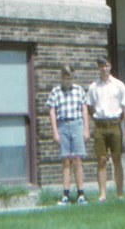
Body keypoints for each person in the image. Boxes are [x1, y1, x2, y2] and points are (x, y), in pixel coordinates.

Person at [45, 65, 89, 205]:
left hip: (77, 124)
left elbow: (84, 110)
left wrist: (86, 129)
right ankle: (66, 194)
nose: (67, 80)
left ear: (72, 77)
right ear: (61, 77)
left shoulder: (79, 90)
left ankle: (81, 193)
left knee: (77, 159)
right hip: (63, 125)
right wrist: (55, 131)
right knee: (65, 161)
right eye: (65, 77)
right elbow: (52, 111)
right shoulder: (55, 92)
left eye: (70, 77)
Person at [86, 56, 125, 201]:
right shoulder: (93, 87)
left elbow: (124, 106)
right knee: (101, 160)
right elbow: (90, 106)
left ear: (110, 67)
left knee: (117, 158)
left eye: (107, 65)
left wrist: (120, 122)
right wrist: (97, 119)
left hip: (114, 124)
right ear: (98, 68)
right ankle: (102, 194)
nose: (104, 68)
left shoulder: (119, 85)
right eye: (101, 66)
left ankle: (120, 194)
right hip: (100, 126)